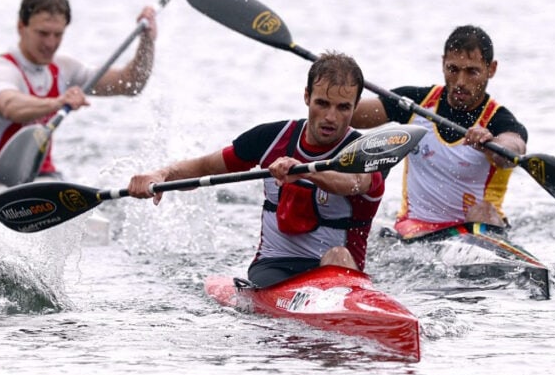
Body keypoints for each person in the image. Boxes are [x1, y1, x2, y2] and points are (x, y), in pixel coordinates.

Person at [127, 52, 385, 287]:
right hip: (273, 269)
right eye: (322, 103)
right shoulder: (271, 138)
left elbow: (356, 183)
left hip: (337, 273)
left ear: (356, 106)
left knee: (338, 255)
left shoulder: (366, 154)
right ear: (306, 96)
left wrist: (306, 171)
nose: (331, 117)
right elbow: (204, 167)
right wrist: (161, 175)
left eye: (343, 107)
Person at [351, 25, 527, 239]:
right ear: (443, 63)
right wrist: (330, 87)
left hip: (476, 228)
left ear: (491, 69)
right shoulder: (415, 103)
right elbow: (348, 115)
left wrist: (492, 146)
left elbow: (514, 149)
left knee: (483, 211)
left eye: (472, 72)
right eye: (453, 69)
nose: (460, 82)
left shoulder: (499, 121)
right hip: (416, 227)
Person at [0, 0, 157, 182]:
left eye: (58, 34)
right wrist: (58, 102)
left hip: (46, 178)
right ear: (21, 27)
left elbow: (130, 84)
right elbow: (10, 106)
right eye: (43, 33)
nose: (50, 43)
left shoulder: (64, 68)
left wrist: (147, 42)